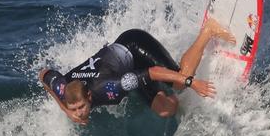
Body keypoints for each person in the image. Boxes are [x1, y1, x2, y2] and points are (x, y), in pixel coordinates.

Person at [39, 18, 235, 125]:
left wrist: (191, 83)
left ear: (89, 95)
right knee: (166, 110)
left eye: (80, 107)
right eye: (74, 109)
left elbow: (152, 72)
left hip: (134, 45)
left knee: (179, 82)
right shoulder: (63, 88)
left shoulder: (111, 87)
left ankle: (208, 30)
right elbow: (44, 74)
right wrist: (65, 110)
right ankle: (174, 92)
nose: (79, 113)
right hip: (126, 67)